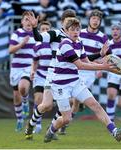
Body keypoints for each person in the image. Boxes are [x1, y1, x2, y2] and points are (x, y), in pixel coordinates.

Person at [43, 17, 121, 143]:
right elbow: (80, 65)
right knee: (66, 119)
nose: (76, 32)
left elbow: (87, 62)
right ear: (66, 31)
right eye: (72, 29)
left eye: (77, 29)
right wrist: (104, 67)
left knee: (96, 105)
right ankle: (51, 130)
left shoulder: (79, 43)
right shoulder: (65, 44)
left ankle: (115, 132)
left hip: (75, 82)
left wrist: (102, 59)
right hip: (60, 85)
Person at [24, 9, 77, 140]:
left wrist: (100, 56)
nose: (70, 23)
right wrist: (35, 27)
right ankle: (30, 125)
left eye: (72, 20)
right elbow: (39, 38)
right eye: (67, 20)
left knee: (68, 103)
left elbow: (82, 58)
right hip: (53, 74)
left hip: (68, 76)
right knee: (46, 105)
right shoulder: (55, 33)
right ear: (62, 21)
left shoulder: (76, 37)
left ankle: (51, 128)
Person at [9, 11, 36, 132]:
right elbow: (11, 50)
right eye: (26, 19)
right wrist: (22, 43)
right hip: (16, 67)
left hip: (28, 67)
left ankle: (25, 101)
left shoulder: (37, 35)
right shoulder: (17, 34)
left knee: (23, 88)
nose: (28, 22)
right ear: (22, 22)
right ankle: (20, 119)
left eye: (30, 19)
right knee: (16, 95)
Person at [30, 21, 52, 133]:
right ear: (39, 31)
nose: (45, 31)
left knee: (48, 106)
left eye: (47, 29)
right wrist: (32, 71)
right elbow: (34, 62)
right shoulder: (37, 46)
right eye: (43, 29)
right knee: (38, 99)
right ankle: (37, 125)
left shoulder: (56, 45)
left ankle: (55, 127)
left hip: (53, 77)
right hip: (40, 75)